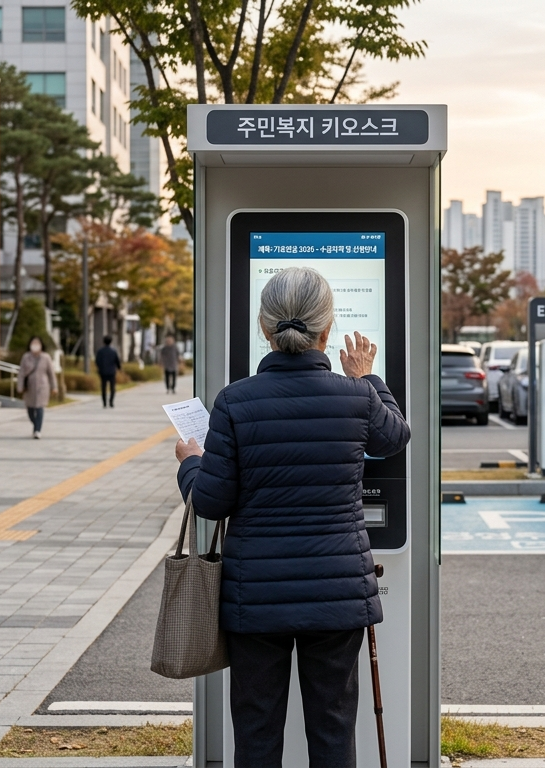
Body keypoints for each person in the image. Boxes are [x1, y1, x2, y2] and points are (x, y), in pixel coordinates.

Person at [174, 267, 409, 767]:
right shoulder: (358, 396)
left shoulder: (235, 402)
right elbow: (395, 438)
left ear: (265, 328)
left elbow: (212, 503)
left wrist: (190, 462)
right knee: (333, 729)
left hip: (256, 597)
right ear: (327, 331)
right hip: (337, 592)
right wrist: (367, 375)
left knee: (257, 734)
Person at [18, 335, 57, 438]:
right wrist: (20, 386)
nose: (35, 345)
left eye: (37, 343)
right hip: (29, 387)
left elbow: (51, 373)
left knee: (40, 408)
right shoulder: (26, 357)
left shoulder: (46, 357)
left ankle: (37, 430)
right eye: (33, 343)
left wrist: (54, 387)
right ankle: (36, 424)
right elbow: (21, 373)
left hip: (42, 387)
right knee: (30, 409)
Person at [95, 335, 121, 408]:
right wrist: (119, 368)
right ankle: (111, 402)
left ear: (103, 342)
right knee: (112, 387)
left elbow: (97, 361)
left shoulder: (100, 351)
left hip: (103, 372)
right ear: (111, 342)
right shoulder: (113, 351)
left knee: (103, 387)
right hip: (112, 372)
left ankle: (104, 403)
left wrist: (100, 368)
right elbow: (117, 361)